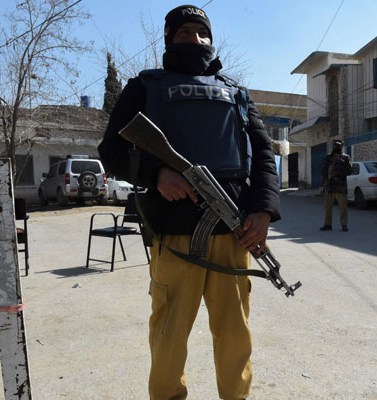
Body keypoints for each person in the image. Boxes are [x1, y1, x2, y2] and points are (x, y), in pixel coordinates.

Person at [98, 5, 280, 399]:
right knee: (168, 336)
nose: (195, 40)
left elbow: (264, 154)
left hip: (235, 232)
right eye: (184, 33)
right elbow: (112, 149)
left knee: (235, 337)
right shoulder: (144, 86)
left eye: (202, 32)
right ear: (169, 39)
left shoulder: (237, 93)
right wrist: (156, 174)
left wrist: (264, 211)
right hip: (175, 234)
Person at [320, 140, 352, 232]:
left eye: (338, 146)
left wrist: (338, 173)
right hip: (330, 186)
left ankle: (344, 225)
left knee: (343, 208)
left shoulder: (346, 158)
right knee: (327, 207)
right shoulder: (328, 158)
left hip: (341, 186)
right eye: (335, 146)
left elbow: (349, 171)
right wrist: (326, 178)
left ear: (341, 146)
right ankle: (327, 224)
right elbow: (323, 169)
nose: (336, 147)